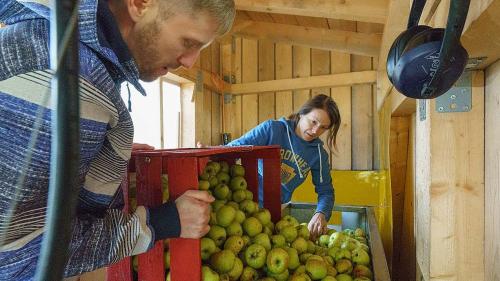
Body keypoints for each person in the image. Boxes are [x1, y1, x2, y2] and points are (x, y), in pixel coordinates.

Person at [0, 0, 235, 279]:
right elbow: (16, 254)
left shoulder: (67, 53)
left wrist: (97, 148)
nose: (189, 62)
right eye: (188, 42)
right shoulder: (63, 80)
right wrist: (157, 224)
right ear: (140, 4)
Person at [227, 94, 341, 240]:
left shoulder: (318, 154)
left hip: (274, 214)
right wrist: (210, 151)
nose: (315, 131)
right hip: (240, 205)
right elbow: (234, 149)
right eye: (313, 122)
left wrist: (321, 213)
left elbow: (326, 192)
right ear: (302, 113)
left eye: (323, 128)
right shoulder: (272, 129)